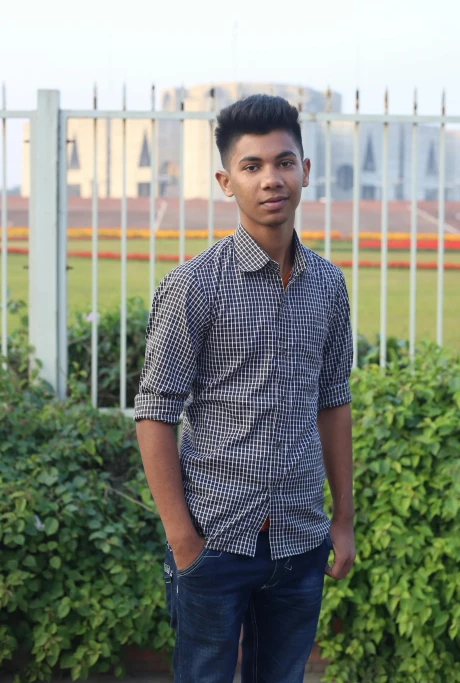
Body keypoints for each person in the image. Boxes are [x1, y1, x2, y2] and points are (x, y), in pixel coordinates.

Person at [134, 94, 355, 683]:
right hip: (215, 538)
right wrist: (184, 541)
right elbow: (155, 413)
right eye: (252, 166)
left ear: (306, 170)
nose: (271, 178)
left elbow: (334, 403)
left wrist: (344, 520)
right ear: (225, 181)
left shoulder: (328, 288)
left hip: (301, 539)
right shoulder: (193, 287)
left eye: (284, 161)